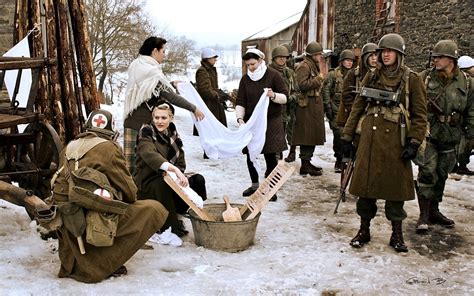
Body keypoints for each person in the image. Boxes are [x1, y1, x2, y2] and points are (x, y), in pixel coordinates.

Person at [51, 109, 168, 283]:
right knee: (154, 209)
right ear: (110, 130)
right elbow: (130, 191)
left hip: (70, 219)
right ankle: (103, 263)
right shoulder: (109, 148)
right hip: (92, 217)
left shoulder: (70, 146)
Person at [342, 33, 428, 252]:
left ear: (399, 54)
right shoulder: (371, 77)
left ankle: (396, 234)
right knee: (365, 190)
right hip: (369, 141)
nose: (385, 55)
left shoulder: (412, 79)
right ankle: (364, 229)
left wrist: (414, 141)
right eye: (382, 51)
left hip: (396, 143)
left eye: (390, 51)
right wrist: (347, 137)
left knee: (395, 191)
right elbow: (357, 107)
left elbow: (420, 115)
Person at [415, 40, 474, 234]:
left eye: (440, 57)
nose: (435, 60)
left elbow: (472, 109)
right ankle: (423, 215)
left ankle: (434, 210)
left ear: (451, 59)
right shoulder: (424, 78)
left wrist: (469, 134)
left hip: (452, 135)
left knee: (441, 174)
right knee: (427, 172)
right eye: (435, 57)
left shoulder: (466, 81)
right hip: (430, 134)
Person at [124, 36, 204, 174]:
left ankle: (134, 194)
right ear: (155, 51)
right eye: (163, 51)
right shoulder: (150, 71)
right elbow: (169, 95)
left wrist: (172, 84)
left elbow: (152, 91)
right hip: (141, 125)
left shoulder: (138, 65)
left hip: (132, 122)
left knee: (134, 166)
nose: (164, 55)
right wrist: (193, 108)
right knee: (142, 166)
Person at [134, 101, 207, 237]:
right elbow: (149, 154)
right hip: (149, 181)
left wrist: (178, 174)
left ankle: (187, 212)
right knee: (164, 185)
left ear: (171, 118)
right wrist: (174, 171)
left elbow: (180, 160)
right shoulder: (146, 132)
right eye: (156, 118)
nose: (160, 121)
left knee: (197, 180)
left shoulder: (172, 133)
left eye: (164, 118)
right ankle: (170, 226)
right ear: (152, 117)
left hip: (169, 177)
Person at [236, 48, 288, 201]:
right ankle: (254, 185)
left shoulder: (273, 75)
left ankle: (270, 188)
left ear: (260, 61)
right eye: (248, 65)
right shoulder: (245, 79)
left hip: (271, 120)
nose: (250, 67)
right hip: (252, 121)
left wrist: (273, 95)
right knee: (251, 153)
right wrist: (240, 119)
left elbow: (285, 97)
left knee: (270, 154)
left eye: (253, 64)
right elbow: (241, 101)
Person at [292, 41, 328, 176]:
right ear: (313, 55)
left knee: (312, 136)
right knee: (307, 136)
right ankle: (305, 165)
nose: (320, 57)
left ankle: (307, 162)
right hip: (306, 106)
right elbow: (302, 85)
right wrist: (319, 79)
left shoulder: (313, 65)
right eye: (318, 54)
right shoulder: (304, 66)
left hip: (313, 105)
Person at [322, 49, 355, 172]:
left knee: (350, 136)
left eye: (351, 61)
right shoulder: (333, 75)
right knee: (339, 135)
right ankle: (339, 159)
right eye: (347, 60)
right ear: (341, 61)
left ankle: (349, 159)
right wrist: (328, 107)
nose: (349, 63)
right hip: (336, 110)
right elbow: (325, 91)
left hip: (350, 110)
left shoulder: (355, 75)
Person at [268, 45, 299, 162]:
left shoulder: (290, 72)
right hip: (273, 109)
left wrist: (291, 98)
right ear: (274, 58)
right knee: (275, 138)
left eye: (284, 57)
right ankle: (275, 161)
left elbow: (296, 90)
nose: (282, 60)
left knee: (285, 136)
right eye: (279, 57)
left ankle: (279, 158)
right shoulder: (268, 72)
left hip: (287, 110)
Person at [195, 48, 227, 159]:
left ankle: (214, 152)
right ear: (208, 58)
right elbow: (204, 90)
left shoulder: (210, 69)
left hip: (213, 104)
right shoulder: (203, 71)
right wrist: (217, 95)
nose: (215, 60)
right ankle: (209, 153)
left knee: (215, 129)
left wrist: (219, 93)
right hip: (208, 105)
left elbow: (212, 87)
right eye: (214, 58)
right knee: (209, 130)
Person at [337, 42, 378, 127]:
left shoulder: (382, 73)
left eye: (376, 55)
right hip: (358, 116)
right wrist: (355, 110)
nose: (374, 58)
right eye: (371, 56)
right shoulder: (354, 74)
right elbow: (346, 96)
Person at [451, 55, 474, 175]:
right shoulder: (465, 82)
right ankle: (459, 165)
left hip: (465, 116)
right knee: (464, 142)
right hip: (462, 117)